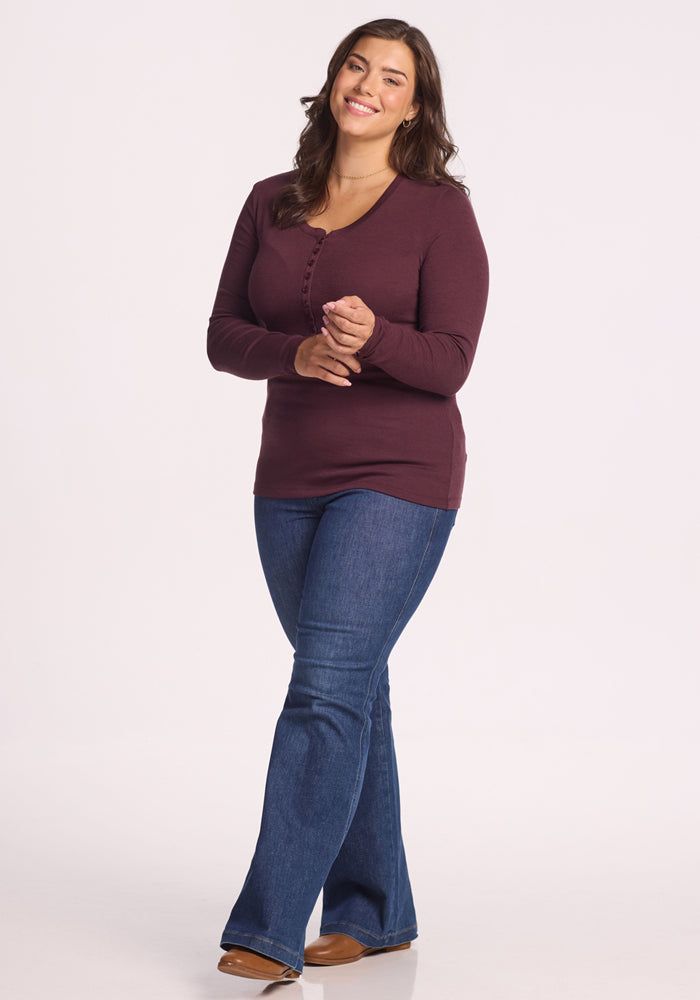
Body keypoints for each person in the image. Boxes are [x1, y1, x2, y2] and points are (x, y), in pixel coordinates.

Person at [207, 17, 488, 982]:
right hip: (287, 482)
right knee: (351, 685)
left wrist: (370, 337)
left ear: (417, 105)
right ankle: (376, 912)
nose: (367, 85)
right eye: (355, 66)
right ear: (332, 81)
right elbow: (222, 334)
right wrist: (293, 351)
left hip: (401, 479)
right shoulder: (268, 202)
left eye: (392, 77)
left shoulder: (439, 211)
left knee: (323, 686)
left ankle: (267, 927)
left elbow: (452, 360)